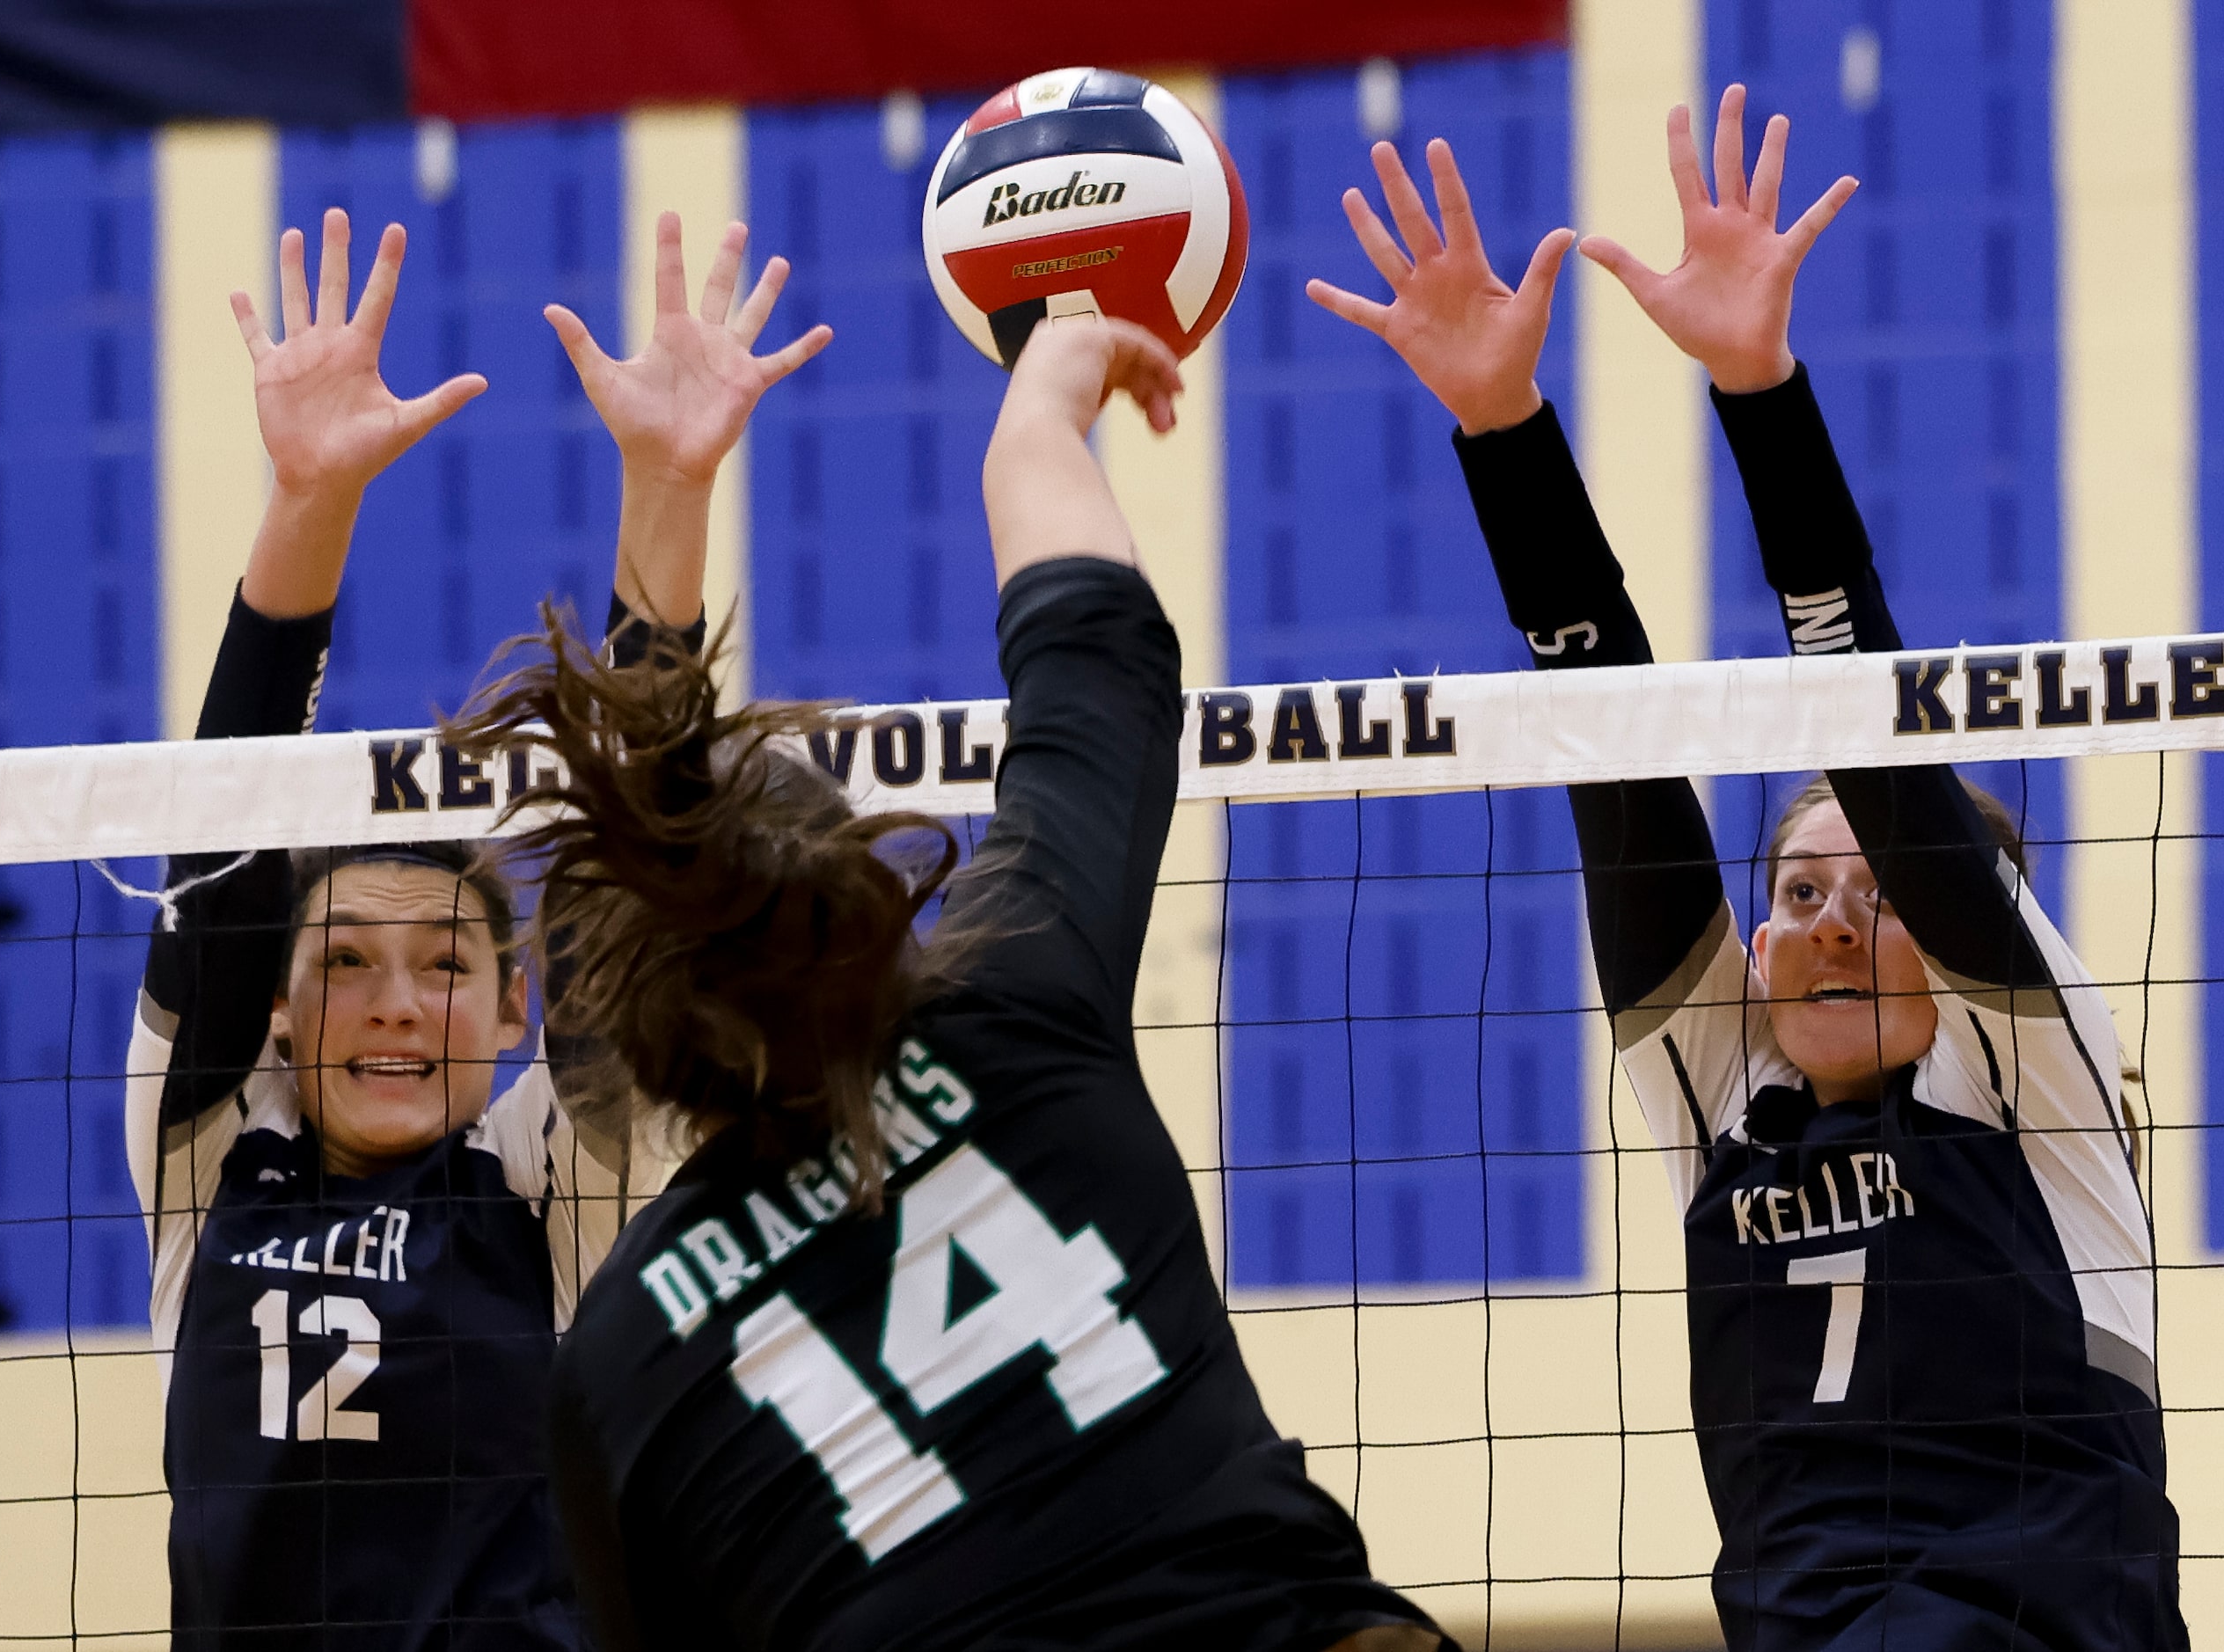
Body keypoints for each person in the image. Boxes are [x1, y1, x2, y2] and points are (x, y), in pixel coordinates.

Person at [1309, 87, 2187, 1650]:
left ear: (1972, 937)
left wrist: (1756, 392)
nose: (1836, 926)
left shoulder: (2031, 1073)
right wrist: (1503, 434)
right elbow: (1614, 750)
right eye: (1795, 895)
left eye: (1884, 894)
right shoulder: (1723, 1086)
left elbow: (1875, 732)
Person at [449, 313, 1449, 1652]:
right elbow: (1098, 655)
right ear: (867, 892)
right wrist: (1037, 407)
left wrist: (665, 494)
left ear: (632, 1032)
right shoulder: (1017, 1003)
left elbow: (661, 869)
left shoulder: (620, 1362)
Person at [126, 205, 829, 1651]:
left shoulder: (547, 1186)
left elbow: (618, 886)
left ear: (513, 1014)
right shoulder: (204, 1164)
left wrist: (667, 493)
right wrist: (305, 504)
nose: (395, 1002)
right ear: (274, 1005)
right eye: (344, 964)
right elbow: (223, 848)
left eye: (447, 965)